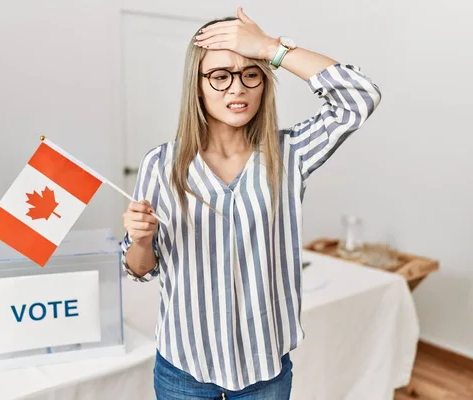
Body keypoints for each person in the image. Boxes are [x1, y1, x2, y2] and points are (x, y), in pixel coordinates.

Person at [121, 7, 382, 400]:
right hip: (184, 369)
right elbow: (140, 270)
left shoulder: (289, 153)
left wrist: (270, 47)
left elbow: (359, 97)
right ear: (198, 85)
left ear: (264, 82)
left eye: (250, 74)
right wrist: (140, 240)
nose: (237, 89)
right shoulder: (160, 164)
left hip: (264, 370)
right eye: (220, 76)